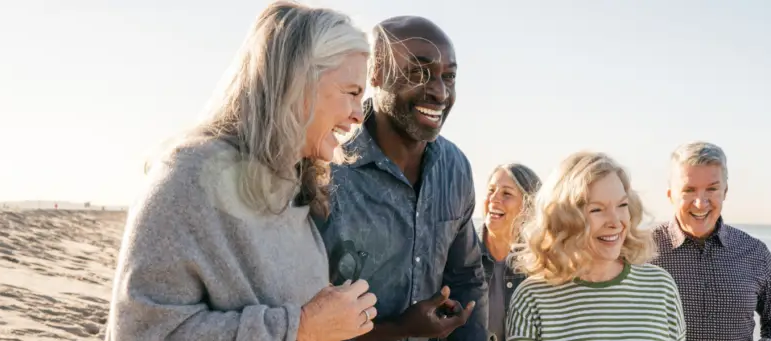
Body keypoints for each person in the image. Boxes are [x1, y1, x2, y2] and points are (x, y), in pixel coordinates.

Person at [104, 3, 378, 340]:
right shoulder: (188, 178)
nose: (357, 115)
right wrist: (301, 327)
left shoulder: (294, 186)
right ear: (297, 80)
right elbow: (141, 333)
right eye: (352, 93)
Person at [316, 15, 487, 341]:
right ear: (375, 73)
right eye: (418, 72)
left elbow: (465, 276)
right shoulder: (326, 165)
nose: (439, 92)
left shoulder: (456, 168)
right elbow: (302, 315)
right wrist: (399, 331)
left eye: (449, 77)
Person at [507, 152, 687, 341]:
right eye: (597, 209)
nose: (615, 221)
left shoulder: (661, 287)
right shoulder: (532, 298)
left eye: (622, 205)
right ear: (564, 218)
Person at [651, 141, 771, 341]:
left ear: (725, 192)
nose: (700, 203)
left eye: (711, 189)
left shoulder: (755, 253)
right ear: (671, 195)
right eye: (689, 190)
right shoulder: (640, 251)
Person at [476, 163, 541, 341]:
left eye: (507, 194)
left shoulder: (541, 265)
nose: (494, 199)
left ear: (528, 207)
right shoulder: (461, 256)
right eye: (491, 190)